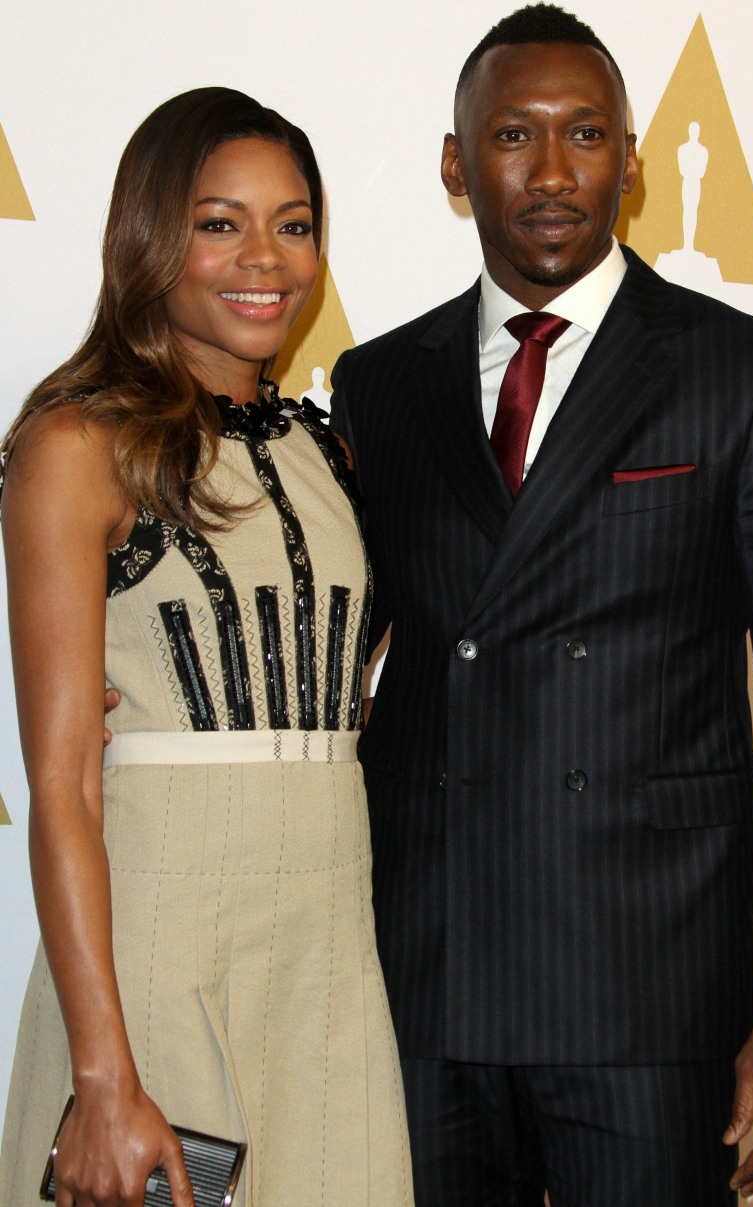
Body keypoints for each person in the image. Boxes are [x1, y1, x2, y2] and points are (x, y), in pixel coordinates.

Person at [329, 5, 753, 1205]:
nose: (551, 170)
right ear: (454, 164)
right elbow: (337, 642)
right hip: (422, 975)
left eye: (585, 134)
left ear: (631, 162)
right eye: (512, 135)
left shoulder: (745, 374)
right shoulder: (378, 384)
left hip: (649, 989)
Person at [0, 88, 412, 1207]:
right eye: (219, 223)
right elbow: (61, 784)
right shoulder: (78, 444)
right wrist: (101, 1076)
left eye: (293, 223)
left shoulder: (330, 454)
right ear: (150, 237)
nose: (265, 258)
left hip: (329, 944)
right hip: (159, 941)